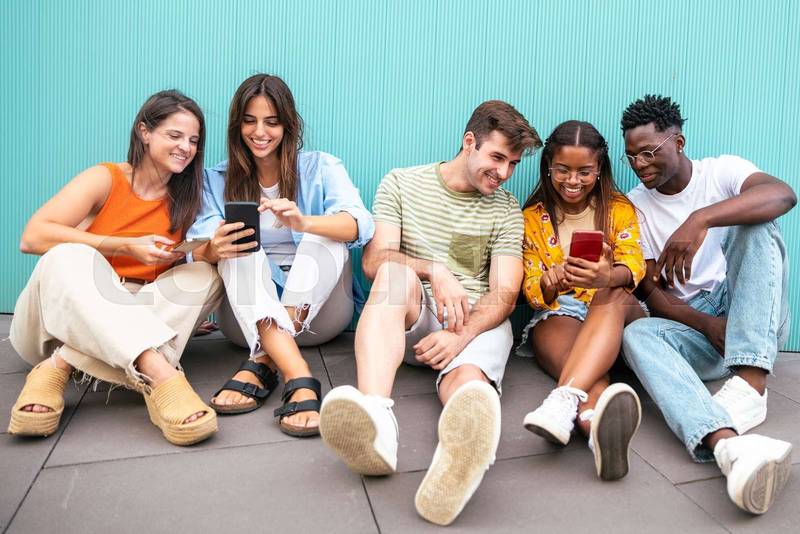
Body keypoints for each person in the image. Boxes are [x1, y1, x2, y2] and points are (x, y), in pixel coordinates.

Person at [318, 101, 540, 526]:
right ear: (469, 142)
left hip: (472, 324)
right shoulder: (402, 183)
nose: (504, 172)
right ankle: (378, 421)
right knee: (392, 275)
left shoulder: (506, 208)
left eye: (513, 163)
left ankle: (460, 456)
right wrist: (434, 269)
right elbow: (373, 261)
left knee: (468, 389)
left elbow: (505, 292)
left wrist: (460, 335)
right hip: (412, 320)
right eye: (497, 158)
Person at [8, 90, 223, 446]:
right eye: (175, 135)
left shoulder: (187, 199)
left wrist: (214, 249)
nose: (186, 147)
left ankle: (60, 366)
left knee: (205, 275)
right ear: (144, 132)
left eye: (193, 140)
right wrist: (122, 245)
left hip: (131, 311)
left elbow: (196, 259)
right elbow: (32, 238)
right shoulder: (105, 178)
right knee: (69, 255)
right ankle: (158, 372)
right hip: (58, 322)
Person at [620, 95, 795, 514]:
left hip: (751, 310)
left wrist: (700, 219)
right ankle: (726, 445)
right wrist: (705, 324)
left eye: (649, 152)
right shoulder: (634, 206)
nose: (641, 164)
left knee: (755, 225)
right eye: (632, 156)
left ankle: (750, 381)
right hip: (700, 328)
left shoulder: (722, 171)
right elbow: (652, 293)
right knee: (637, 333)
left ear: (678, 142)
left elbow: (783, 195)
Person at [188, 74, 374, 437]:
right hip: (246, 320)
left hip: (320, 316)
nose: (260, 132)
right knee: (238, 245)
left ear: (288, 125)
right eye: (250, 121)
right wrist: (214, 247)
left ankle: (263, 360)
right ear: (237, 125)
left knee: (325, 235)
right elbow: (195, 248)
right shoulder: (215, 179)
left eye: (271, 122)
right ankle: (297, 373)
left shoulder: (321, 166)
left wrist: (304, 222)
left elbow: (360, 225)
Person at [518, 120, 646, 480]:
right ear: (548, 166)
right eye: (563, 169)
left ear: (599, 168)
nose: (572, 180)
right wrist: (549, 282)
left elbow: (634, 265)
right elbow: (532, 289)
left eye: (584, 172)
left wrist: (607, 276)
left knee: (611, 293)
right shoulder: (532, 218)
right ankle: (593, 427)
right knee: (562, 340)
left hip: (617, 308)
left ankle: (561, 398)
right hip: (564, 309)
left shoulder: (618, 209)